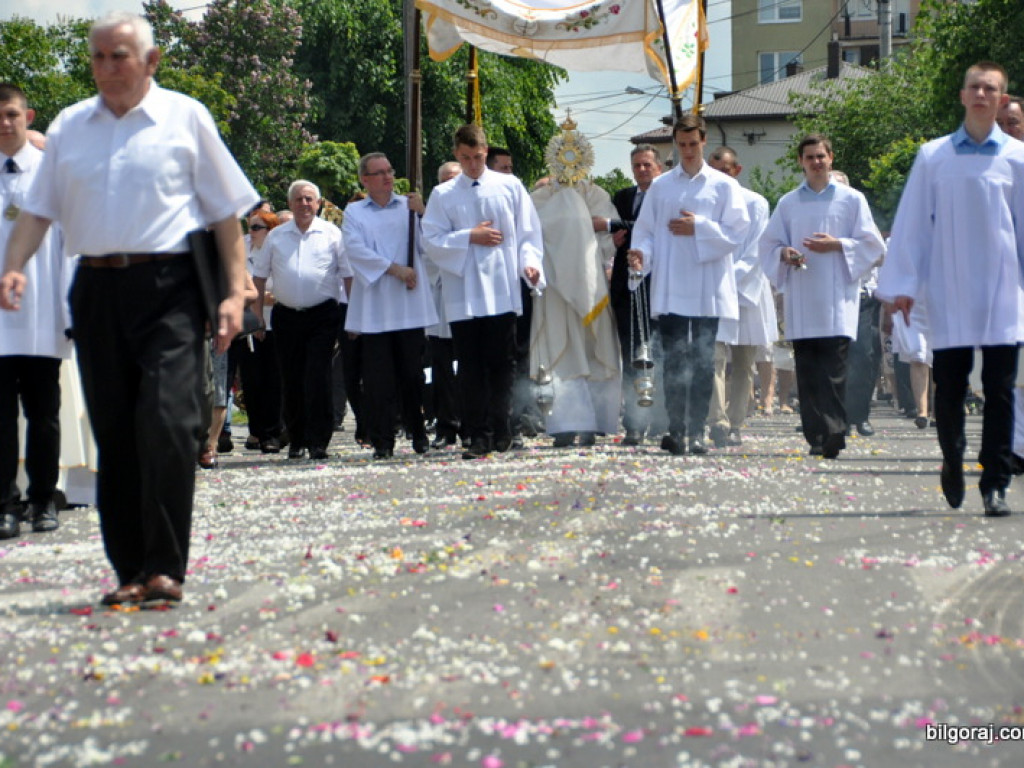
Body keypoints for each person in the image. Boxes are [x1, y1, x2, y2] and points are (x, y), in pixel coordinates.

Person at [0, 12, 257, 605]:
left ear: (151, 60)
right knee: (114, 432)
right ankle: (131, 570)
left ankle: (165, 566)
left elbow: (227, 215)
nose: (107, 67)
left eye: (119, 55)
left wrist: (232, 292)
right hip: (96, 289)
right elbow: (37, 211)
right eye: (98, 56)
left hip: (169, 288)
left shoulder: (185, 117)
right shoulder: (70, 126)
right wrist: (13, 265)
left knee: (166, 422)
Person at [878, 62, 1024, 516]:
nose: (981, 94)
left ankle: (995, 482)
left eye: (990, 89)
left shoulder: (1017, 158)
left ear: (1002, 99)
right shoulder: (934, 156)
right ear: (962, 95)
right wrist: (904, 284)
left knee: (1000, 389)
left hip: (1003, 289)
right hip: (950, 286)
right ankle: (952, 458)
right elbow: (913, 224)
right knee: (951, 385)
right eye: (974, 87)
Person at [627, 115, 750, 456]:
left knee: (702, 361)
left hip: (708, 285)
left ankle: (697, 430)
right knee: (674, 359)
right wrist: (640, 255)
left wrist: (700, 227)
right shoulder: (662, 186)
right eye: (681, 145)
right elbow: (646, 231)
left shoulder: (723, 186)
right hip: (671, 283)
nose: (688, 151)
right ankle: (675, 428)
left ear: (703, 141)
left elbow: (737, 232)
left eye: (693, 144)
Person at [422, 124, 545, 460]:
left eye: (477, 157)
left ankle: (502, 428)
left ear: (486, 152)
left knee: (502, 363)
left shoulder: (509, 185)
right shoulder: (443, 194)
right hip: (464, 292)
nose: (473, 164)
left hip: (502, 288)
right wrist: (469, 236)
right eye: (465, 158)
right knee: (470, 365)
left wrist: (530, 264)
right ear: (456, 155)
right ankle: (477, 434)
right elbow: (431, 240)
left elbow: (528, 232)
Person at [760, 134, 885, 460]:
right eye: (810, 157)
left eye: (821, 156)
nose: (816, 162)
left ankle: (834, 431)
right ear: (801, 162)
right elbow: (768, 244)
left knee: (834, 369)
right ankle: (816, 435)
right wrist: (784, 253)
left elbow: (873, 245)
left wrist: (839, 245)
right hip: (802, 297)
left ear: (831, 158)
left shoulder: (851, 199)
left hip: (837, 299)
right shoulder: (789, 203)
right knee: (808, 370)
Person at [0, 83, 69, 539]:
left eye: (11, 114)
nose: (5, 124)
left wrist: (69, 311)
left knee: (44, 415)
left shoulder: (52, 174)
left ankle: (43, 498)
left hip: (43, 313)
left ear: (28, 116)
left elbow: (70, 247)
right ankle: (5, 503)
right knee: (0, 418)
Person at [529, 117, 621, 447]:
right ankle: (565, 425)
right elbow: (530, 235)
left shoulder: (596, 194)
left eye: (574, 156)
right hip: (554, 288)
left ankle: (594, 422)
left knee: (593, 350)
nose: (569, 164)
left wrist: (597, 227)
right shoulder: (540, 197)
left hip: (591, 284)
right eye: (563, 156)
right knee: (562, 353)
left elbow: (610, 238)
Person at [344, 153, 437, 459]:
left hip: (408, 306)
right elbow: (355, 250)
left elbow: (430, 244)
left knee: (411, 374)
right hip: (375, 307)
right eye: (379, 173)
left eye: (389, 171)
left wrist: (423, 213)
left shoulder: (408, 206)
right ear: (365, 179)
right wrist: (395, 269)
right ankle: (383, 439)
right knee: (378, 379)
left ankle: (417, 431)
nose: (387, 177)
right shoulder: (355, 211)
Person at [252, 180, 347, 462]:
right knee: (291, 378)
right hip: (286, 316)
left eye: (309, 199)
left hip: (322, 315)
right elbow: (259, 277)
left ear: (318, 203)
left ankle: (318, 441)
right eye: (299, 199)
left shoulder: (332, 233)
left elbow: (347, 275)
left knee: (317, 377)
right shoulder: (276, 236)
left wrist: (352, 314)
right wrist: (256, 316)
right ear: (290, 203)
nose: (304, 204)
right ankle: (296, 440)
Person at [705, 146, 777, 448]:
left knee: (744, 363)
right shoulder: (705, 203)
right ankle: (717, 421)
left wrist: (728, 279)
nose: (720, 176)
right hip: (713, 292)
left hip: (747, 292)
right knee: (714, 359)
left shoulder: (756, 203)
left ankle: (735, 422)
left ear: (737, 170)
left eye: (725, 170)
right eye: (714, 171)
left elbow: (757, 250)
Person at [599, 144, 664, 446]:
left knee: (657, 354)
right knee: (630, 355)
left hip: (657, 285)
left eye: (647, 165)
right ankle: (634, 424)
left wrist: (612, 224)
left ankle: (660, 418)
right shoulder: (623, 197)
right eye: (637, 165)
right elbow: (615, 235)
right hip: (626, 288)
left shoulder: (665, 195)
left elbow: (656, 229)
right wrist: (614, 236)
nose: (642, 170)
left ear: (658, 167)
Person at [237, 209, 285, 453]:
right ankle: (256, 431)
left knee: (273, 380)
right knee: (252, 380)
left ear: (271, 230)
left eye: (257, 228)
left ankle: (273, 432)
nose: (251, 232)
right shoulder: (243, 250)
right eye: (250, 227)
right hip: (248, 324)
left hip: (275, 323)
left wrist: (268, 297)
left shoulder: (278, 249)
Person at [425, 161, 463, 449]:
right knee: (441, 369)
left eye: (455, 179)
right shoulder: (431, 214)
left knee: (470, 368)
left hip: (468, 299)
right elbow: (427, 251)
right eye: (445, 180)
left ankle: (471, 425)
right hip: (440, 301)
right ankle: (446, 426)